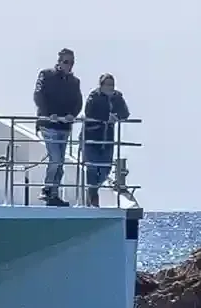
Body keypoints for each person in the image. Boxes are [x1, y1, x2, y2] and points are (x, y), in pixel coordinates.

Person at [32, 47, 82, 206]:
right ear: (59, 61)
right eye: (66, 62)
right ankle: (47, 189)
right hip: (48, 124)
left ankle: (54, 193)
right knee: (56, 158)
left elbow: (78, 102)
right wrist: (48, 113)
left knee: (60, 161)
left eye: (72, 63)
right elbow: (38, 95)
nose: (69, 66)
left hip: (64, 126)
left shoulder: (74, 82)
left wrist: (71, 115)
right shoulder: (46, 75)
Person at [80, 73, 130, 205]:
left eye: (112, 84)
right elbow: (89, 111)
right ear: (101, 86)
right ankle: (93, 196)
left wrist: (116, 116)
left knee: (105, 169)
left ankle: (92, 190)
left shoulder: (117, 97)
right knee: (92, 168)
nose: (110, 87)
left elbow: (125, 113)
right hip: (92, 137)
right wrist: (106, 117)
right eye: (107, 84)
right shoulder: (94, 96)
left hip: (107, 139)